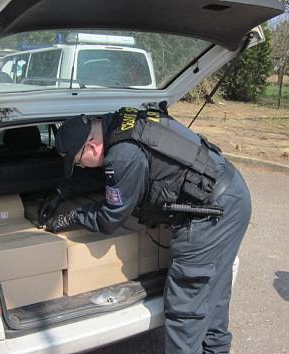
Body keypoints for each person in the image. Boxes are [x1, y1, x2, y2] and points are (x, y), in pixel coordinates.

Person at [39, 107, 252, 354]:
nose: (82, 167)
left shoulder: (122, 155)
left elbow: (110, 218)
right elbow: (108, 173)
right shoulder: (118, 121)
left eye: (78, 161)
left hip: (212, 213)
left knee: (186, 306)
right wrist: (61, 192)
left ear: (92, 146)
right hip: (231, 194)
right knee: (213, 293)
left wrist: (70, 217)